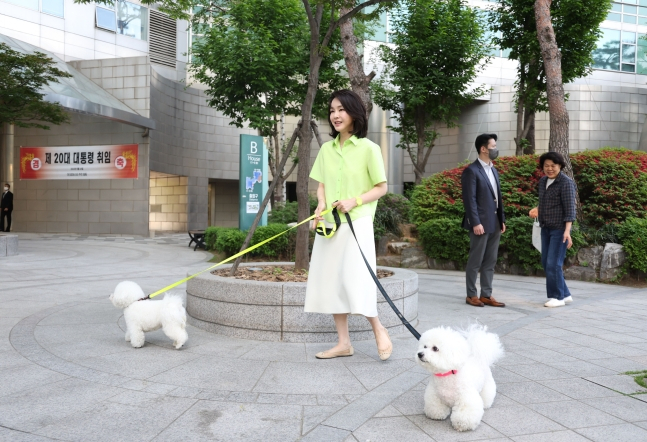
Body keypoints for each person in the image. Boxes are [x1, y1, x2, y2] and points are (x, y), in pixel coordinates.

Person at [305, 89, 392, 361]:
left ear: (354, 113)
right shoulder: (327, 150)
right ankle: (343, 343)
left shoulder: (369, 149)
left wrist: (355, 201)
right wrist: (320, 205)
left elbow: (381, 188)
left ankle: (378, 328)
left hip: (358, 224)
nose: (335, 115)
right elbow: (321, 185)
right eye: (332, 110)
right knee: (332, 281)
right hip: (330, 225)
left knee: (358, 279)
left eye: (341, 109)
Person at [461, 134, 506, 308]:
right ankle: (471, 294)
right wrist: (475, 222)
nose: (495, 149)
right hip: (479, 223)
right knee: (475, 260)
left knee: (490, 260)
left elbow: (497, 197)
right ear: (483, 149)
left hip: (494, 222)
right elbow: (469, 199)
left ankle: (486, 294)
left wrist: (501, 219)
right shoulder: (471, 171)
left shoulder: (493, 169)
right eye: (493, 146)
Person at [528, 152, 576, 308]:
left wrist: (567, 232)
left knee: (553, 263)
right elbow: (545, 202)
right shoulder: (543, 181)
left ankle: (557, 297)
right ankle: (566, 294)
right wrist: (537, 209)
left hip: (559, 229)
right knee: (546, 262)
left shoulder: (566, 183)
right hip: (545, 227)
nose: (549, 169)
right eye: (546, 166)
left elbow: (570, 210)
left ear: (560, 166)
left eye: (553, 166)